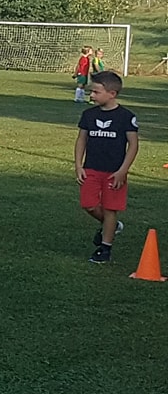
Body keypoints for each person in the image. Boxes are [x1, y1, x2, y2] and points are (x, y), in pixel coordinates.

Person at [77, 70, 140, 264]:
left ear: (112, 94)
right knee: (88, 204)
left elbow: (134, 145)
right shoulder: (88, 115)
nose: (92, 95)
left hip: (114, 172)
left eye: (96, 92)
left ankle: (105, 249)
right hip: (92, 169)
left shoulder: (126, 116)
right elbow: (81, 139)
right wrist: (79, 165)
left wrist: (123, 171)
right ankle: (111, 226)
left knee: (111, 208)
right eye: (92, 92)